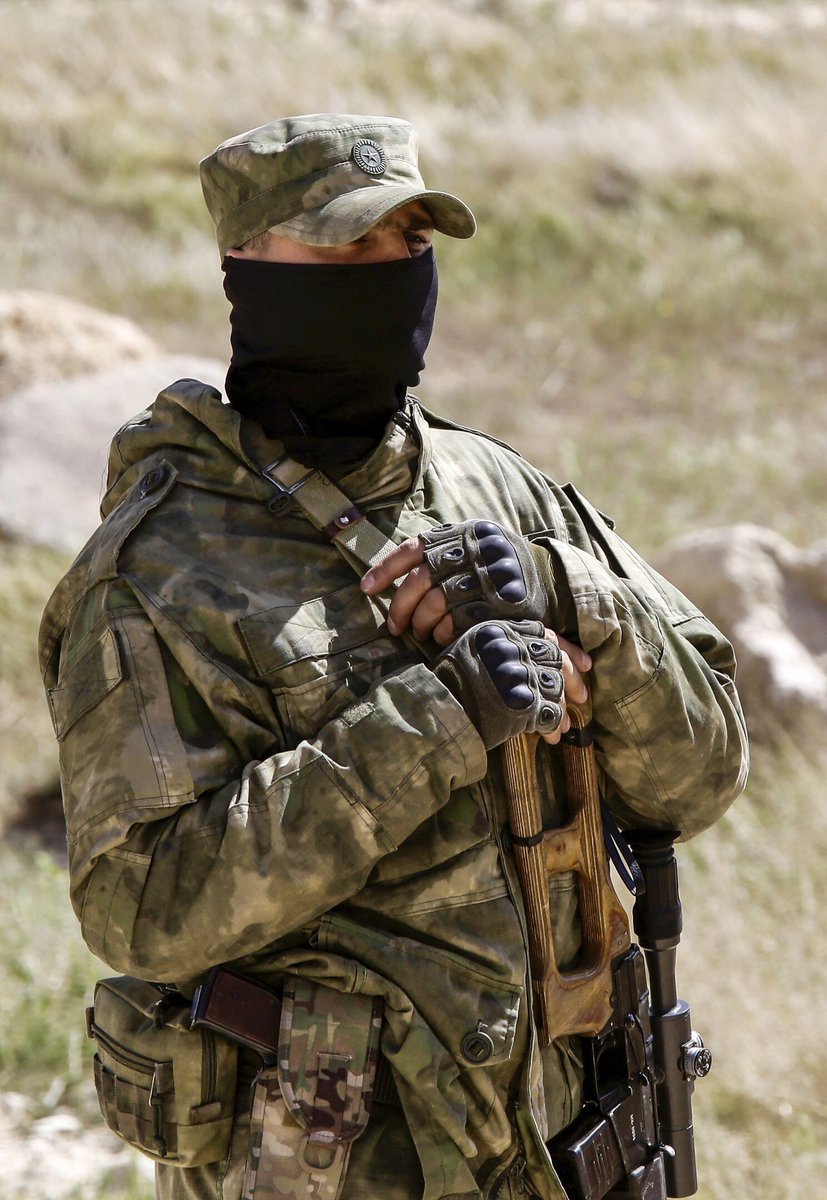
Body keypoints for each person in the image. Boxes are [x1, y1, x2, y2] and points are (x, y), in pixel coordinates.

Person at [39, 114, 748, 1200]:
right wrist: (439, 720)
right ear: (245, 271)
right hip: (339, 1160)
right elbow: (141, 912)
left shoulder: (503, 494)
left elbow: (702, 776)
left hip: (564, 1140)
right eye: (342, 251)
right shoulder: (157, 573)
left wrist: (578, 602)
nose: (385, 279)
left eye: (407, 249)